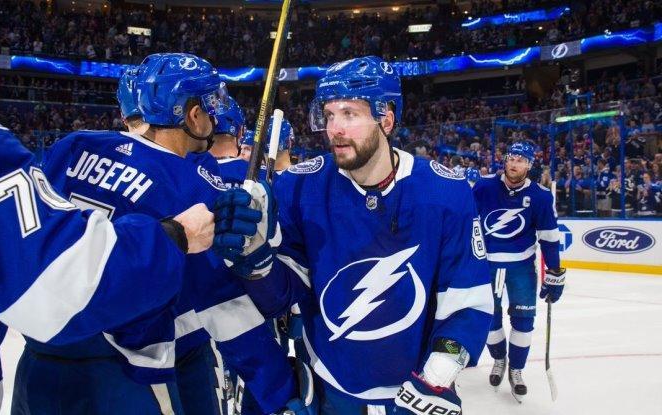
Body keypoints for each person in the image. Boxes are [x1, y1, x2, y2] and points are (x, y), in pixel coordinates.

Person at [0, 3, 213, 414]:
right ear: (191, 113)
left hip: (37, 366)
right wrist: (175, 236)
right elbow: (54, 283)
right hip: (113, 364)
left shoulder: (75, 144)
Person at [31, 53, 313, 415]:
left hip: (39, 356)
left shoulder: (72, 146)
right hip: (122, 371)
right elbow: (226, 310)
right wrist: (280, 392)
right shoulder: (192, 187)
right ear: (193, 115)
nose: (214, 119)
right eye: (210, 109)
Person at [212, 56, 493, 413]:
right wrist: (256, 260)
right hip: (332, 387)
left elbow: (467, 301)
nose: (335, 128)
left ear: (386, 119)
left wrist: (438, 374)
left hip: (416, 390)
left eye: (349, 114)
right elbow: (281, 298)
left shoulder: (445, 192)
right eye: (329, 115)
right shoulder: (300, 187)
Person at [472, 142, 565, 402]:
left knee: (523, 321)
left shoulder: (541, 196)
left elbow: (549, 237)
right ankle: (499, 359)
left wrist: (554, 272)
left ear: (529, 165)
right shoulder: (483, 187)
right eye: (511, 158)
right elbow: (467, 222)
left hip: (522, 266)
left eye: (521, 160)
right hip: (486, 265)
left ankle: (516, 369)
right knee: (489, 319)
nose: (514, 164)